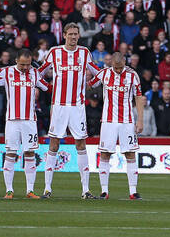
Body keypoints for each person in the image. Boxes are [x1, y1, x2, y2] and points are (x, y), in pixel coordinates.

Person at [38, 23, 100, 199]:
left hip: (77, 107)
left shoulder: (84, 53)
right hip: (59, 106)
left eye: (76, 34)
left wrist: (91, 84)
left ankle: (86, 190)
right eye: (70, 34)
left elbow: (98, 73)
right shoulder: (55, 52)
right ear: (64, 35)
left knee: (81, 144)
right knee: (54, 144)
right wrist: (46, 87)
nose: (73, 37)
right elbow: (39, 73)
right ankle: (47, 189)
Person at [94, 51, 144, 200]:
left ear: (124, 63)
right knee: (105, 154)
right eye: (115, 68)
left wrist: (140, 119)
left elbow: (139, 97)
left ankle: (133, 191)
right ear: (111, 64)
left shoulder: (132, 75)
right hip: (108, 121)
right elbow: (89, 85)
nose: (117, 70)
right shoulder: (103, 74)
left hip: (127, 121)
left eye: (120, 67)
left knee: (130, 153)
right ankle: (104, 191)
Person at [1, 47, 48, 198]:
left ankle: (30, 190)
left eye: (28, 64)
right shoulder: (6, 72)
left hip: (29, 120)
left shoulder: (34, 73)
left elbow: (46, 87)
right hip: (12, 120)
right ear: (16, 61)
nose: (26, 68)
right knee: (10, 153)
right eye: (22, 65)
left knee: (30, 153)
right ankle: (9, 190)